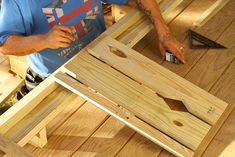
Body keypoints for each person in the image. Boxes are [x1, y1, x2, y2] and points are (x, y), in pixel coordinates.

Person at [0, 0, 185, 92]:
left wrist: (163, 31)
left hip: (98, 61)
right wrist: (44, 40)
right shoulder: (18, 2)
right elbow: (5, 44)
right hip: (52, 79)